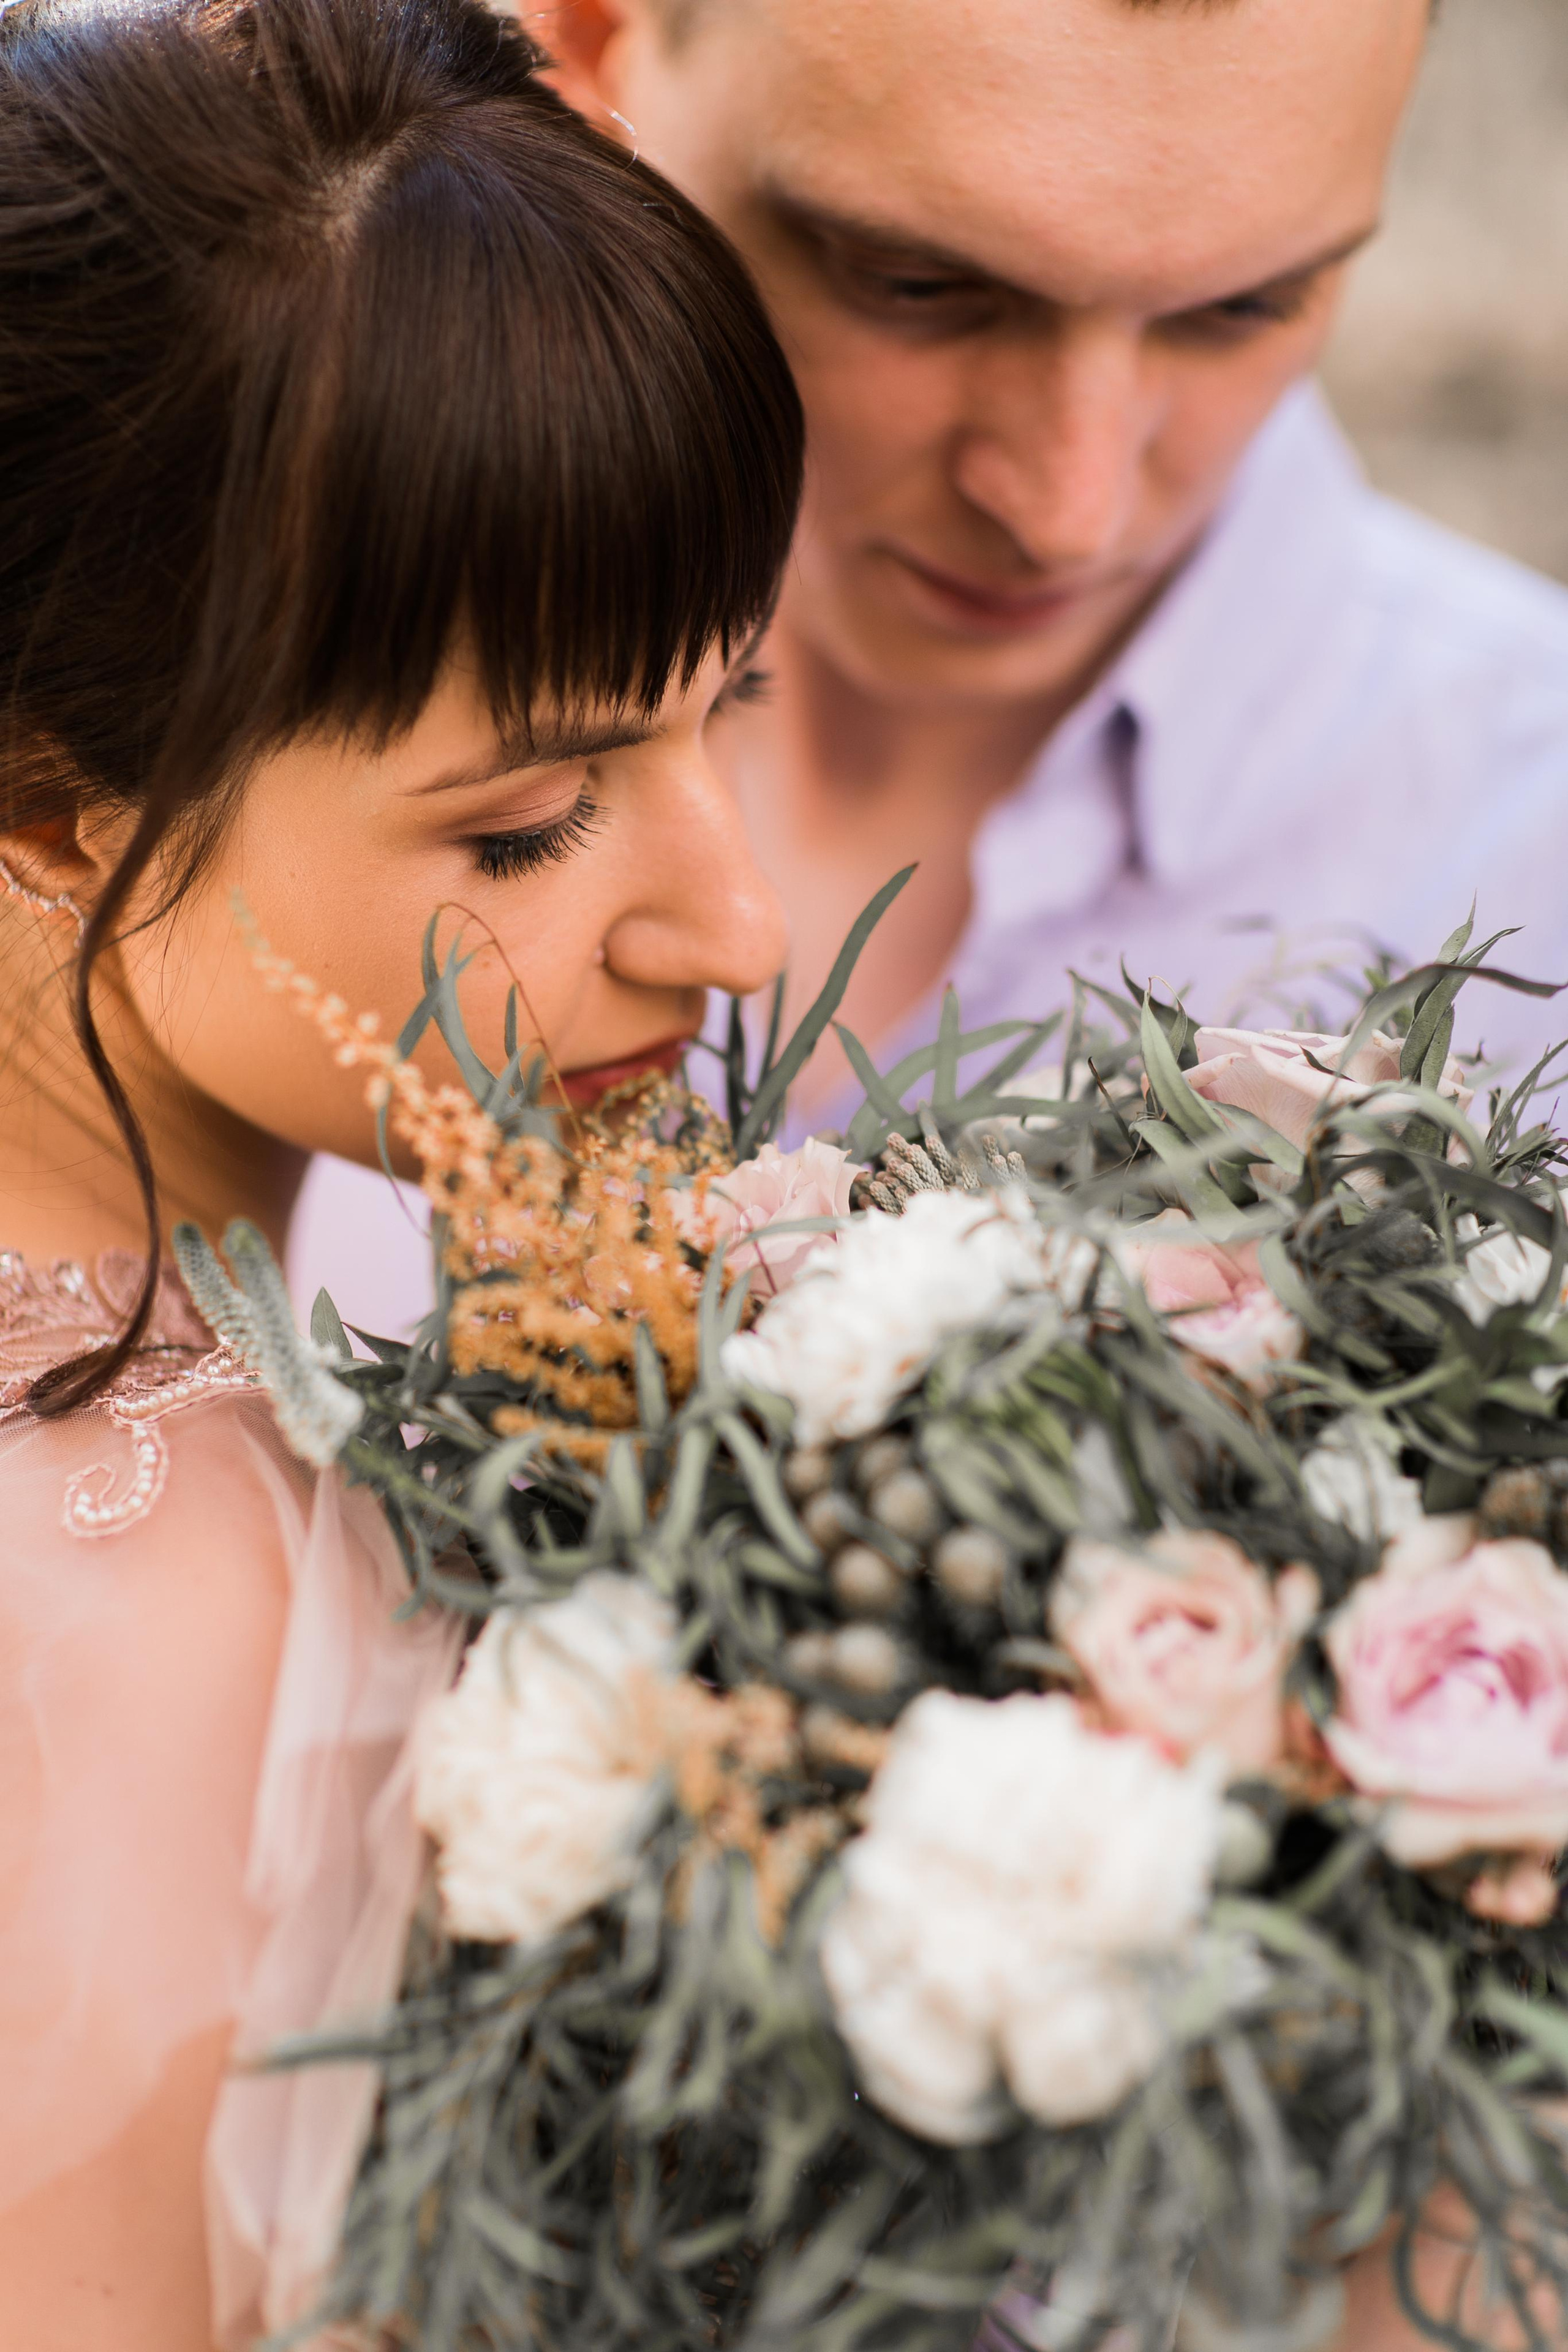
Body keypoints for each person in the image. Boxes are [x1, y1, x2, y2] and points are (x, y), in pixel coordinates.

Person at [0, 1, 801, 2344]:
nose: (737, 925)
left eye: (727, 704)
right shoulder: (171, 1598)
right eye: (531, 819)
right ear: (59, 805)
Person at [295, 0, 1568, 1315]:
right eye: (913, 285)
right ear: (587, 43)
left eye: (1242, 307)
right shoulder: (194, 667)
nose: (1065, 509)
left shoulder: (1538, 853)